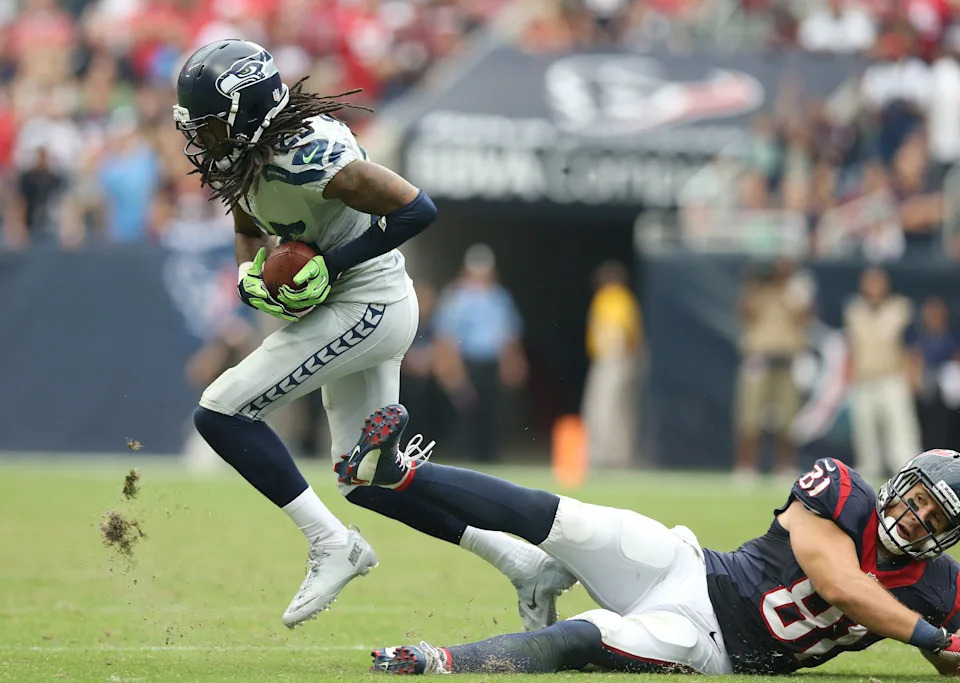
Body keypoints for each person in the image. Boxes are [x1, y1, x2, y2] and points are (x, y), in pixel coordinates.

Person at [175, 40, 572, 630]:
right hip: (347, 306)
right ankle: (522, 562)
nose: (199, 142)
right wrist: (249, 276)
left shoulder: (307, 153)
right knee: (365, 477)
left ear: (245, 111)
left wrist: (332, 266)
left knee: (221, 412)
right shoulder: (247, 159)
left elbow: (418, 209)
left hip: (369, 303)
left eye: (208, 128)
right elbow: (248, 226)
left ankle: (332, 544)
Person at [335, 404, 960, 676]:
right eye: (918, 498)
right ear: (898, 481)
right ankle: (399, 472)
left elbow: (946, 656)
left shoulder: (938, 586)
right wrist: (931, 634)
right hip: (692, 569)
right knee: (562, 517)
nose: (916, 518)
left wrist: (947, 646)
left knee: (583, 637)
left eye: (936, 517)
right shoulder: (842, 492)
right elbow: (840, 584)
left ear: (949, 537)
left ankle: (439, 661)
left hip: (711, 645)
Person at [433, 244, 527, 462]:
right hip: (467, 363)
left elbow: (509, 335)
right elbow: (446, 337)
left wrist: (513, 363)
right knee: (466, 411)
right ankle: (466, 457)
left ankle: (489, 456)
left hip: (491, 363)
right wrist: (451, 371)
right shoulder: (456, 298)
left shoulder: (499, 297)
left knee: (491, 413)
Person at [844, 267, 920, 480]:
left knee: (901, 429)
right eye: (870, 282)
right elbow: (851, 346)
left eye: (878, 282)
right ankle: (867, 474)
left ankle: (909, 473)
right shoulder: (854, 310)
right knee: (864, 431)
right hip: (864, 379)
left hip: (892, 377)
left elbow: (912, 347)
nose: (874, 288)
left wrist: (913, 377)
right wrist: (848, 380)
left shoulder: (900, 308)